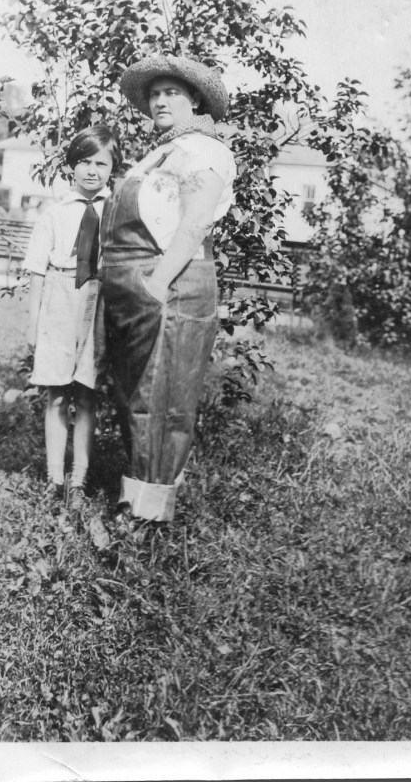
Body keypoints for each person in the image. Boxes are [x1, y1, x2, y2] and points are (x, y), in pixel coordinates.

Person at [100, 54, 236, 523]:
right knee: (135, 395)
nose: (160, 101)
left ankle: (146, 514)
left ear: (194, 99)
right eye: (155, 94)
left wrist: (155, 284)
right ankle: (135, 493)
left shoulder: (206, 150)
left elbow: (195, 221)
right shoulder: (159, 152)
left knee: (163, 399)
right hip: (138, 290)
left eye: (171, 92)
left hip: (172, 286)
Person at [24, 125, 121, 544]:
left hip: (99, 299)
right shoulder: (54, 212)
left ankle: (78, 478)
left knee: (87, 391)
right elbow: (37, 273)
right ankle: (53, 478)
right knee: (57, 393)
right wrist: (33, 323)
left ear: (113, 169)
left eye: (101, 163)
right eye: (84, 161)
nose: (92, 170)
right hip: (60, 298)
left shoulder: (116, 212)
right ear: (71, 166)